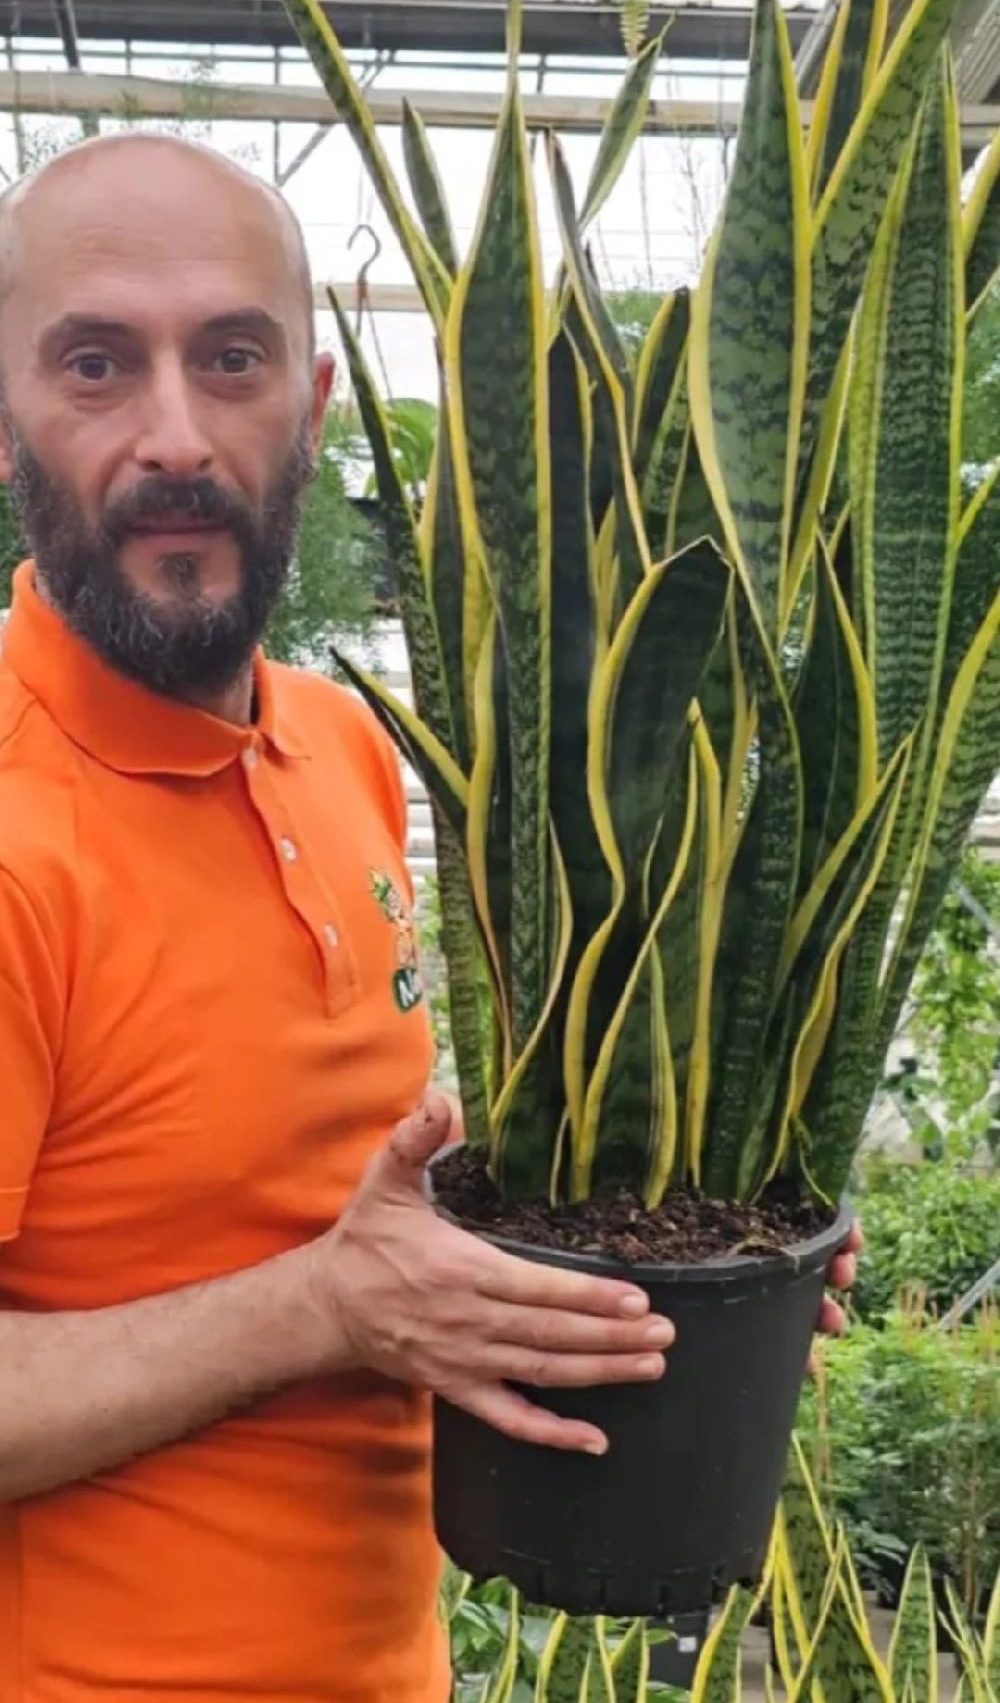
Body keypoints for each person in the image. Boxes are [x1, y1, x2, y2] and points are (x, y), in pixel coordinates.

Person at [0, 134, 859, 1703]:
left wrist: (704, 1238)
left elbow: (345, 1203)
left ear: (315, 404)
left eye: (234, 357)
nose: (175, 435)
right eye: (96, 364)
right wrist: (327, 1305)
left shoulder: (346, 747)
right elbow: (340, 1285)